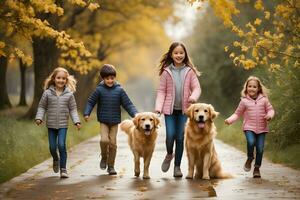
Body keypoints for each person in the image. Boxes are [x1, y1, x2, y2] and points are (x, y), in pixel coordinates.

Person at [155, 42, 201, 177]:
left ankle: (177, 167)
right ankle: (169, 154)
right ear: (171, 54)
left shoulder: (189, 71)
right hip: (169, 111)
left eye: (181, 53)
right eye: (176, 53)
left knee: (180, 138)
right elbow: (161, 91)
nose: (179, 55)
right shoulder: (166, 72)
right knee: (170, 136)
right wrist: (158, 108)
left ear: (185, 54)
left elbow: (197, 88)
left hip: (184, 110)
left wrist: (193, 97)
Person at [84, 64, 138, 175]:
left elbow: (128, 104)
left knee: (113, 143)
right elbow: (90, 101)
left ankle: (111, 166)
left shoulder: (119, 90)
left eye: (112, 78)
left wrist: (135, 115)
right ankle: (104, 157)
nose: (110, 80)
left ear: (115, 78)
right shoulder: (99, 90)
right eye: (107, 78)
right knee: (104, 140)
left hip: (114, 122)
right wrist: (86, 113)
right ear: (103, 79)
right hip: (103, 121)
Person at [225, 76, 275, 178]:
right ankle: (250, 158)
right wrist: (229, 120)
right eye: (249, 86)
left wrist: (269, 115)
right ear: (246, 87)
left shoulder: (264, 100)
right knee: (251, 142)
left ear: (259, 88)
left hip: (262, 129)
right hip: (249, 127)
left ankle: (256, 168)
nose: (251, 88)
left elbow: (271, 110)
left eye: (254, 87)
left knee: (260, 149)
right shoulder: (244, 101)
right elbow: (237, 114)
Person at [35, 67, 81, 178]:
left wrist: (76, 121)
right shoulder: (47, 93)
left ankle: (63, 169)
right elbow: (42, 107)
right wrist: (39, 118)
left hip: (63, 125)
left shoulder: (69, 94)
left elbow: (73, 109)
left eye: (63, 79)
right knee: (52, 147)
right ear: (54, 79)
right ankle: (56, 159)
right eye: (58, 78)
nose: (61, 80)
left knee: (61, 145)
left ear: (66, 80)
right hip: (50, 124)